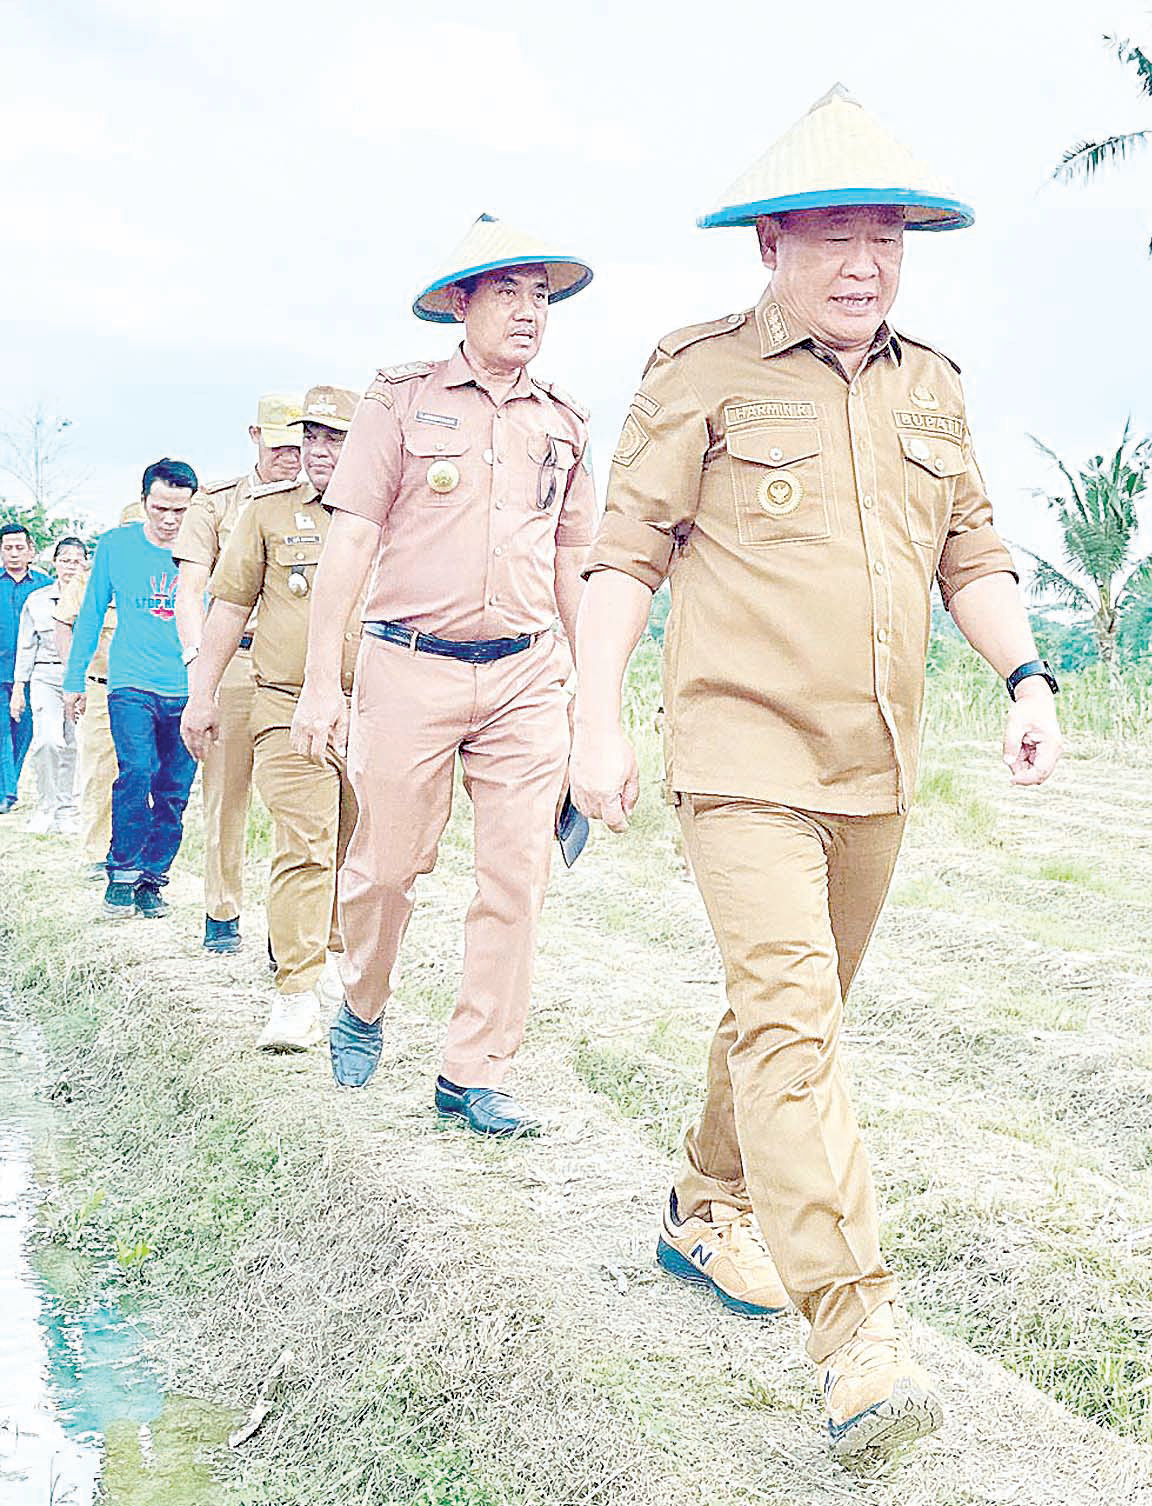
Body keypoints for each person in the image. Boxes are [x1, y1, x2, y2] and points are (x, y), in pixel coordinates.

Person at [569, 86, 1063, 1460]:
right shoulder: (699, 371)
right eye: (838, 235)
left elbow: (972, 554)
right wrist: (594, 718)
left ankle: (704, 1199)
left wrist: (1025, 677)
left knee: (790, 1006)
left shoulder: (935, 386)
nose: (866, 263)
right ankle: (858, 1341)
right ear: (770, 243)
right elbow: (625, 552)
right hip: (738, 755)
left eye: (889, 238)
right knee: (795, 1023)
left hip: (875, 766)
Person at [290, 214, 596, 1136]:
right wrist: (318, 681)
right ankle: (364, 999)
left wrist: (596, 697)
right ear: (461, 301)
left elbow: (575, 561)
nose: (529, 312)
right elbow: (351, 537)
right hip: (407, 666)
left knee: (517, 877)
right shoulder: (398, 401)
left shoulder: (565, 423)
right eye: (508, 291)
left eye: (541, 296)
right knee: (387, 868)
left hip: (525, 677)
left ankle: (474, 1071)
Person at [180, 386, 360, 1051]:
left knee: (362, 847)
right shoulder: (266, 514)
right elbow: (226, 607)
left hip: (376, 709)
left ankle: (340, 956)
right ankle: (296, 992)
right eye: (310, 437)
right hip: (286, 704)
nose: (317, 451)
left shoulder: (399, 514)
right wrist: (201, 696)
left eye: (334, 438)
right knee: (304, 838)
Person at [173, 393, 304, 955]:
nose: (291, 459)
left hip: (292, 667)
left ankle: (288, 927)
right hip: (232, 661)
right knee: (226, 795)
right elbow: (190, 589)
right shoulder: (218, 505)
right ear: (256, 437)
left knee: (294, 799)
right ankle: (221, 909)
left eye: (300, 447)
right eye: (279, 447)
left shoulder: (324, 504)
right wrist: (197, 663)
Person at [63, 459, 200, 919]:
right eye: (161, 507)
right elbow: (91, 613)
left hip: (185, 685)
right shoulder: (116, 546)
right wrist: (73, 680)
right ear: (143, 502)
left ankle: (152, 879)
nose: (169, 520)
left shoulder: (207, 549)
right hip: (131, 682)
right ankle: (120, 872)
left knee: (174, 789)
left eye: (180, 511)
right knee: (136, 772)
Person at [54, 503, 145, 877]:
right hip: (101, 689)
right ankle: (96, 851)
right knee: (99, 770)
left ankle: (137, 854)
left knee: (143, 772)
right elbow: (64, 623)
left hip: (146, 690)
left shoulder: (171, 570)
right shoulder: (92, 576)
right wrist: (71, 675)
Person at [11, 536, 89, 833]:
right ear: (54, 562)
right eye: (65, 560)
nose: (71, 566)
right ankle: (46, 808)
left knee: (74, 744)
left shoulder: (94, 597)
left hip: (83, 678)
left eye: (77, 560)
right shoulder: (38, 599)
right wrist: (19, 688)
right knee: (48, 741)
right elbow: (26, 647)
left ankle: (68, 811)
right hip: (47, 676)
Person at [0, 522, 52, 813]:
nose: (14, 553)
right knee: (1, 732)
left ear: (31, 551)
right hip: (0, 669)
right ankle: (5, 793)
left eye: (20, 547)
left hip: (34, 673)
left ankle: (9, 786)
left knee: (23, 733)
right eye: (8, 548)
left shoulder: (45, 586)